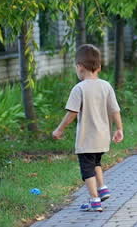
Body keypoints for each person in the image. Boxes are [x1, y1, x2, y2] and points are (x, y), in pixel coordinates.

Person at [52, 44, 123, 213]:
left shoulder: (79, 88)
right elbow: (115, 110)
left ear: (79, 67)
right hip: (103, 137)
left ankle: (94, 200)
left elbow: (72, 113)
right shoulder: (106, 86)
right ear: (98, 67)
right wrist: (119, 128)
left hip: (86, 138)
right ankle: (103, 187)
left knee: (87, 169)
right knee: (96, 162)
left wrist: (59, 129)